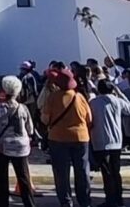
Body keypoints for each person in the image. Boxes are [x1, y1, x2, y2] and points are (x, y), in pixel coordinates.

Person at [40, 69, 92, 207]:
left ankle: (66, 201)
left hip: (58, 138)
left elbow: (45, 119)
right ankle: (85, 201)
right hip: (81, 137)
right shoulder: (79, 97)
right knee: (82, 170)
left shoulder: (52, 98)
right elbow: (89, 118)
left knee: (61, 172)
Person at [0, 75, 37, 207]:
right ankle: (29, 203)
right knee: (23, 177)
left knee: (1, 178)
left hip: (1, 146)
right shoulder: (23, 108)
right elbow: (30, 129)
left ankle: (3, 203)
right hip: (21, 147)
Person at [89, 79, 130, 207]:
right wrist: (119, 93)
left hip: (100, 141)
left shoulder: (93, 103)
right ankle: (118, 198)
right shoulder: (117, 101)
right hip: (116, 141)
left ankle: (110, 199)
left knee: (107, 172)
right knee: (115, 171)